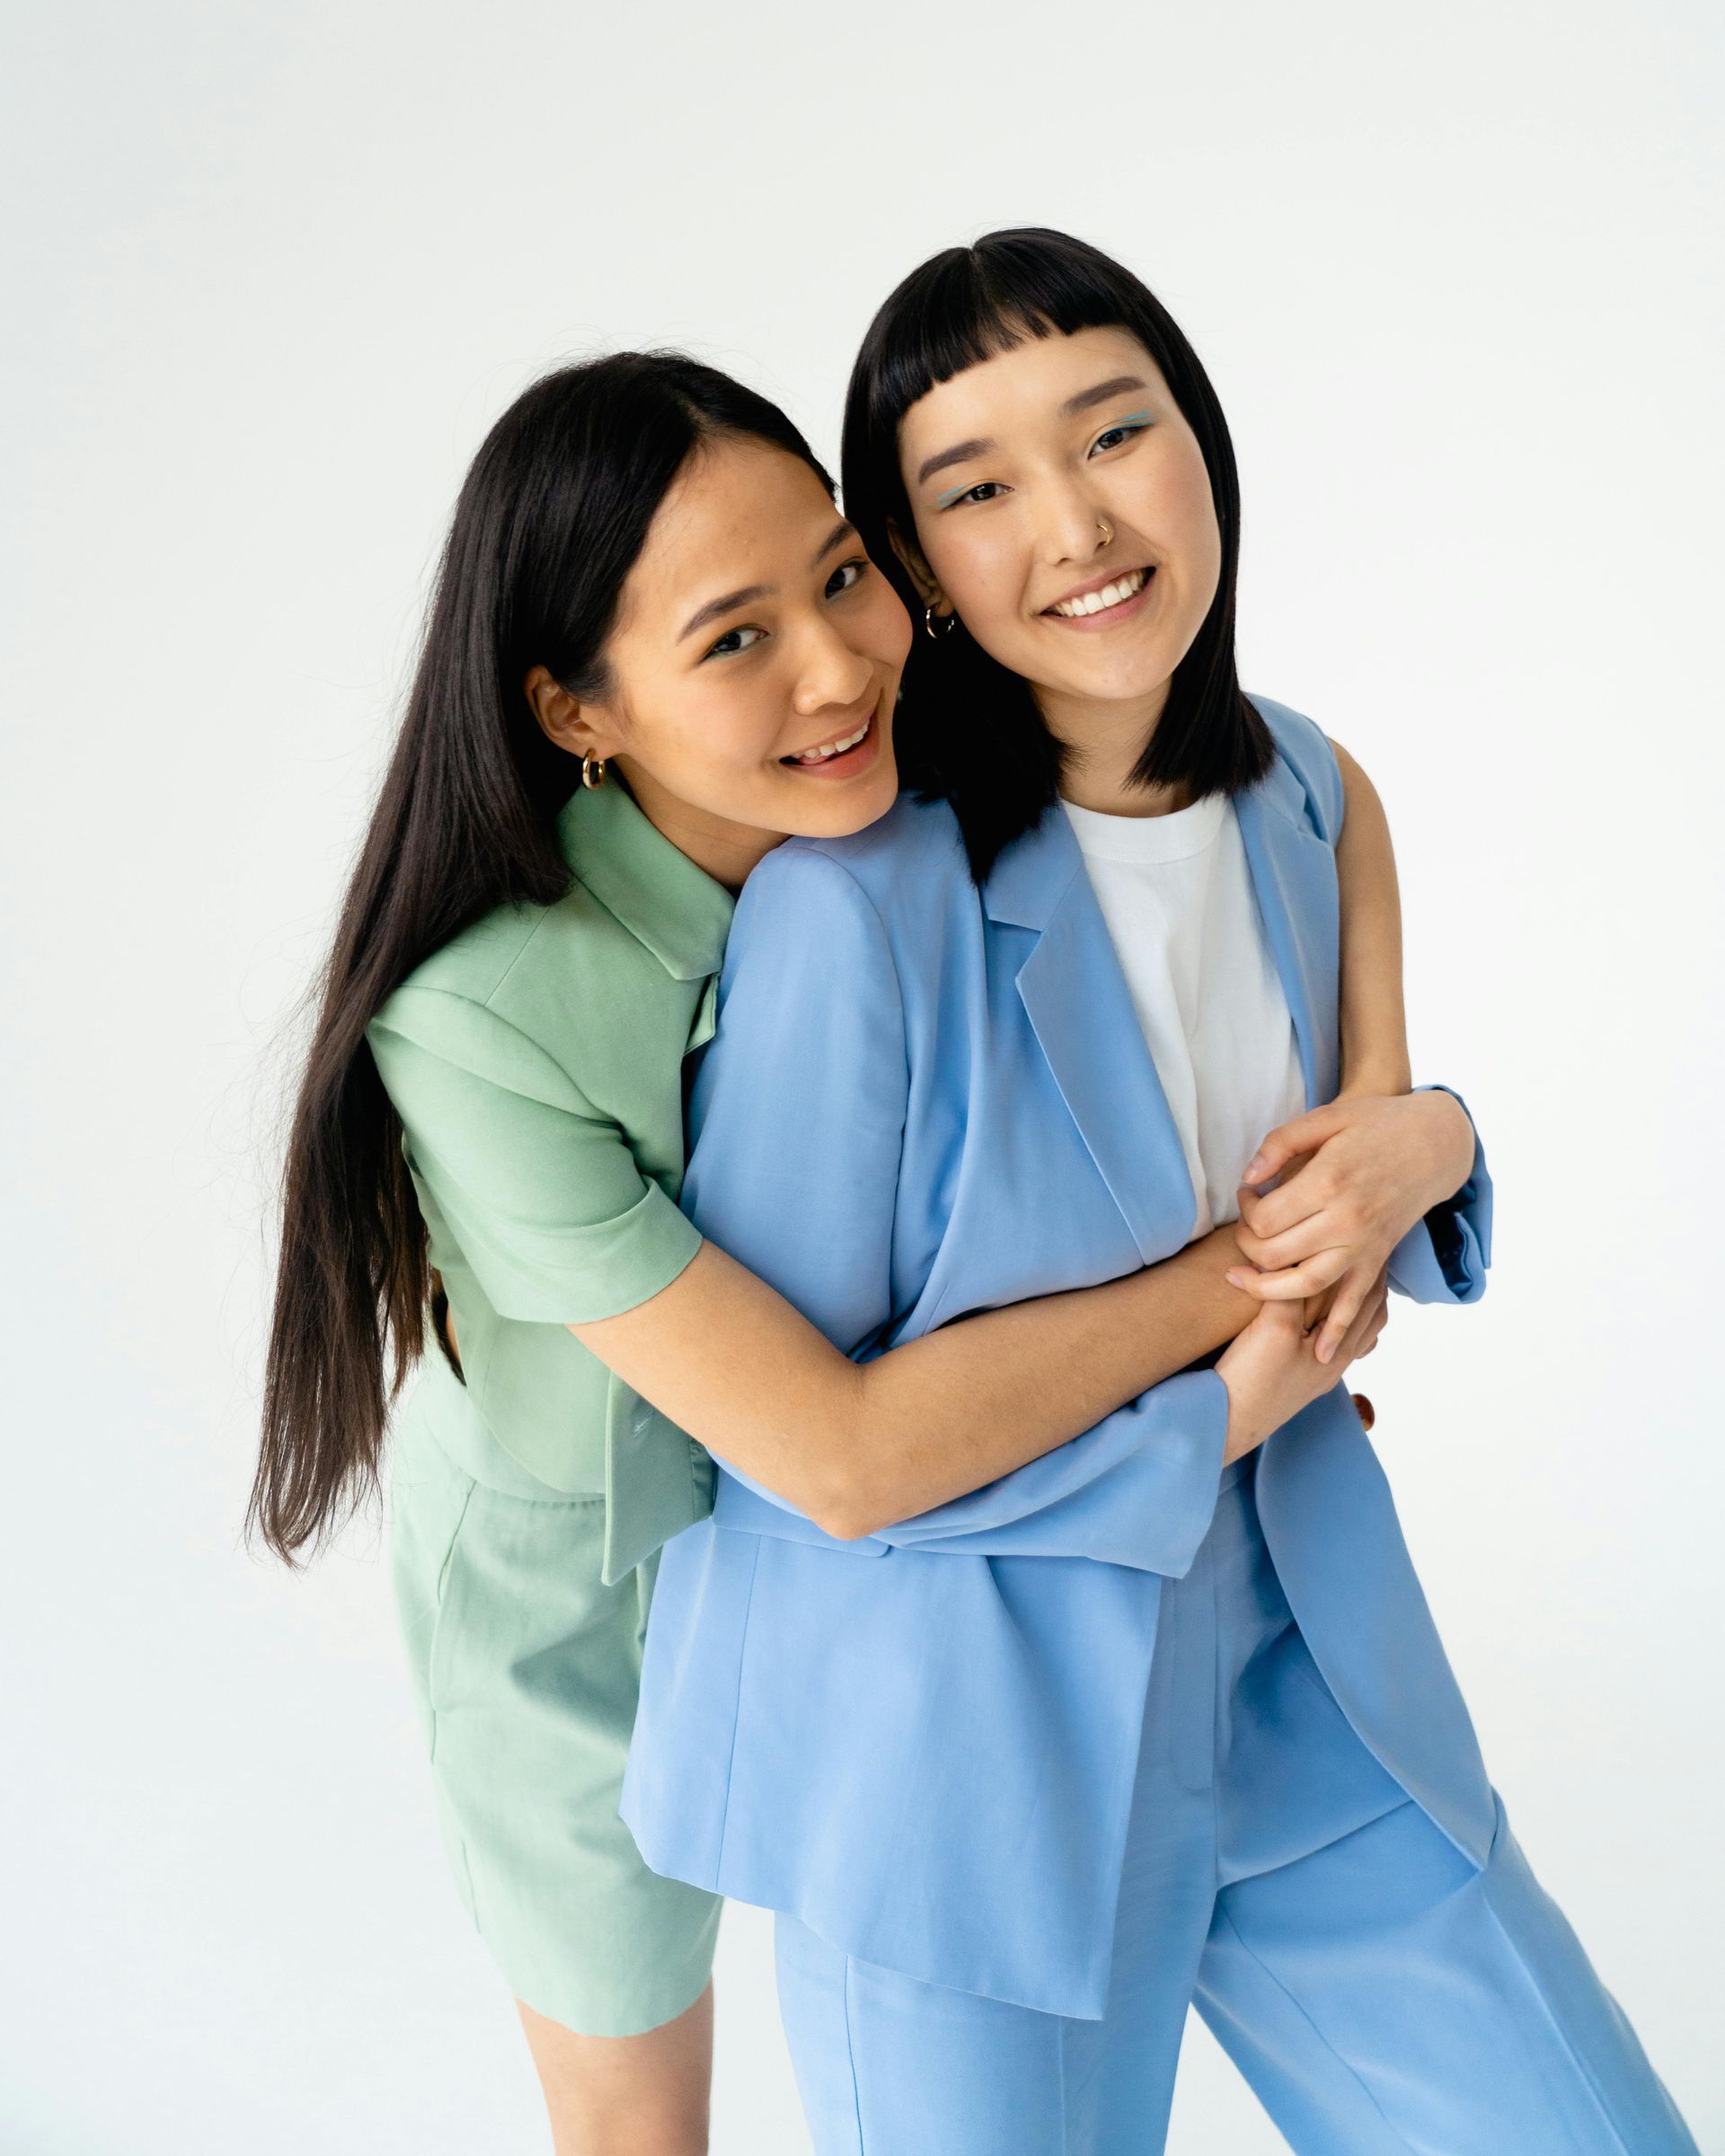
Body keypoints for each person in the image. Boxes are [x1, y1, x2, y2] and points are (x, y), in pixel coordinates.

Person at [252, 350, 1443, 2156]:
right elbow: (837, 1450)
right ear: (578, 710)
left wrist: (1418, 1129)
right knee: (640, 2131)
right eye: (735, 640)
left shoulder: (948, 817)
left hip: (933, 1569)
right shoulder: (482, 1023)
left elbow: (1279, 806)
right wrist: (1270, 1275)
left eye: (840, 575)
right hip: (596, 1610)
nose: (838, 665)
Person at [622, 233, 1699, 2153]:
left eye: (1116, 432)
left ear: (1201, 441)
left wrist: (1435, 1136)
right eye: (974, 490)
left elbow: (1353, 1198)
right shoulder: (849, 917)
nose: (1075, 522)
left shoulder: (1309, 790)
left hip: (1303, 1677)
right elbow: (804, 1475)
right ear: (911, 571)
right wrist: (1210, 1405)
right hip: (961, 1746)